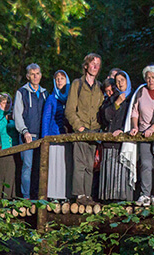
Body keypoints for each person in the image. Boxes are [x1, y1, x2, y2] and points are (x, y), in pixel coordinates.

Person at [121, 65, 154, 206]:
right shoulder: (141, 91)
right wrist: (135, 127)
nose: (150, 80)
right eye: (148, 78)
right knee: (145, 164)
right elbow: (135, 111)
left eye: (153, 77)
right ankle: (145, 194)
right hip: (144, 133)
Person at [65, 53, 104, 204]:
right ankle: (79, 195)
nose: (95, 67)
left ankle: (88, 195)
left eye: (98, 64)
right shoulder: (77, 84)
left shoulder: (99, 86)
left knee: (90, 164)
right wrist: (79, 127)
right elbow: (69, 109)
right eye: (93, 63)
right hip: (81, 129)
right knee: (79, 164)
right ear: (86, 65)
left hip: (94, 130)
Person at [13, 63, 47, 199]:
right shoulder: (22, 92)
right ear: (28, 76)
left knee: (41, 167)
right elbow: (17, 114)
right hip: (28, 135)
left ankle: (39, 196)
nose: (35, 76)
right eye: (32, 74)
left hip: (42, 136)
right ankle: (26, 198)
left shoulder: (45, 93)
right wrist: (24, 131)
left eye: (37, 73)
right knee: (27, 166)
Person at [99, 70, 133, 201]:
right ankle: (109, 199)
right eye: (117, 81)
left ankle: (124, 199)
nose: (119, 84)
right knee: (110, 171)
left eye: (122, 81)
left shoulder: (133, 96)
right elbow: (106, 116)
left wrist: (124, 130)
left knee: (123, 171)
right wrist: (117, 103)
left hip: (126, 139)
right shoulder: (112, 99)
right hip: (111, 140)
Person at [41, 70, 73, 200]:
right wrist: (45, 138)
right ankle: (53, 195)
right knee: (54, 166)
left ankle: (66, 195)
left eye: (62, 78)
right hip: (54, 137)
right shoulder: (51, 98)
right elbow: (46, 118)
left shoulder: (71, 97)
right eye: (57, 79)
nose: (59, 81)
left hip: (68, 137)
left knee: (66, 166)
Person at [0, 93, 19, 199]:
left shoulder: (13, 115)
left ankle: (11, 198)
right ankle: (0, 199)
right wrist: (4, 119)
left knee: (12, 176)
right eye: (3, 103)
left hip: (14, 149)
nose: (5, 105)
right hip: (1, 149)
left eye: (7, 103)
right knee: (2, 176)